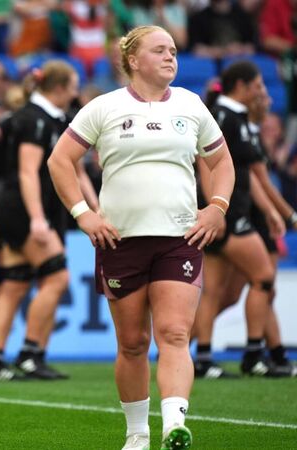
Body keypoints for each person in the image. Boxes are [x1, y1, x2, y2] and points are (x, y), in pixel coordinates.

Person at [47, 25, 234, 450]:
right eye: (160, 50)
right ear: (133, 60)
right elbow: (60, 161)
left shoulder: (191, 104)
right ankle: (137, 434)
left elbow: (222, 162)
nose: (171, 57)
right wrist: (83, 214)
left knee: (175, 334)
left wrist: (217, 207)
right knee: (133, 344)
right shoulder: (104, 107)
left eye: (174, 51)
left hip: (179, 238)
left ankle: (173, 425)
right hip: (120, 241)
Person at [0, 60, 94, 381]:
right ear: (59, 88)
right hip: (25, 211)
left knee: (13, 285)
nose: (76, 93)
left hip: (26, 209)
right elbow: (27, 172)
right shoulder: (34, 119)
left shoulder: (56, 119)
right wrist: (37, 219)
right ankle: (29, 353)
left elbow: (77, 171)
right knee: (57, 278)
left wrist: (96, 208)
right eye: (73, 86)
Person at [193, 61, 293, 378]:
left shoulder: (233, 117)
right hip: (229, 214)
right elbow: (204, 162)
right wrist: (215, 207)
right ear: (242, 86)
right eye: (258, 85)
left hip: (225, 212)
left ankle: (202, 357)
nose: (262, 91)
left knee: (215, 291)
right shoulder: (226, 117)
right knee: (263, 278)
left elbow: (248, 175)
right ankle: (253, 355)